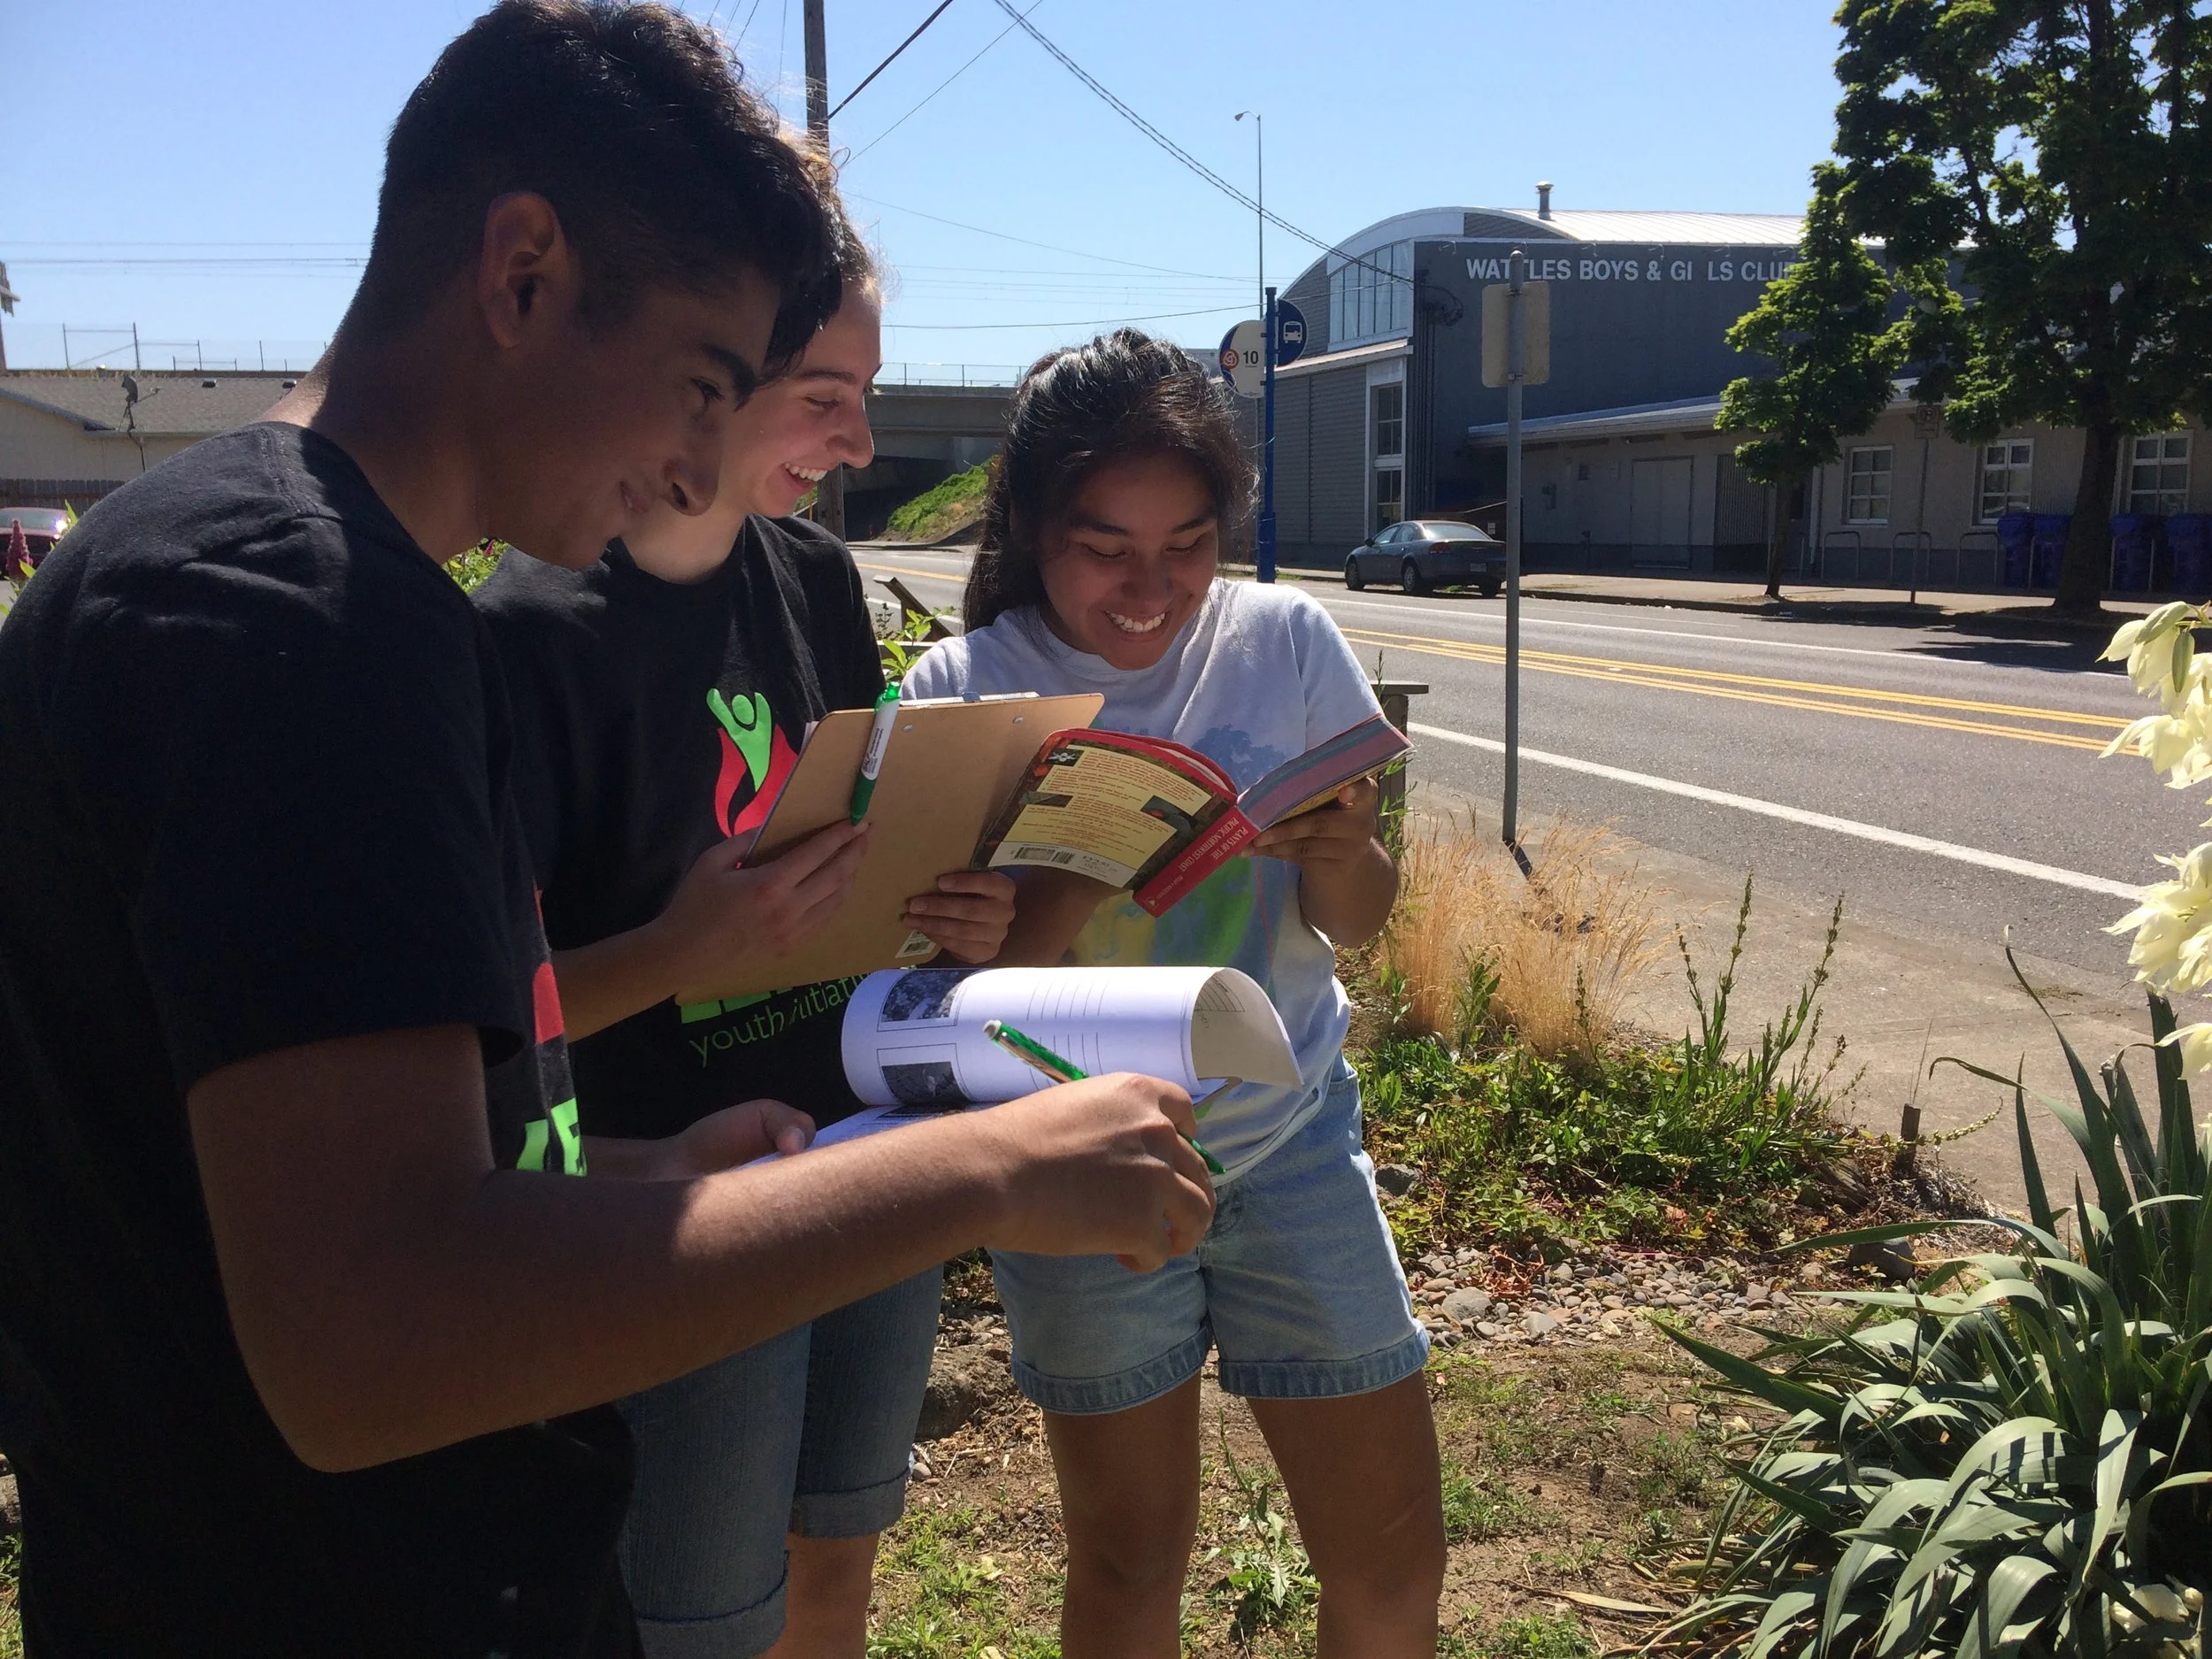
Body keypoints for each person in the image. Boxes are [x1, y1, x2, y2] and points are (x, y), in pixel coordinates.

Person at [0, 10, 1210, 1655]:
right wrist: (981, 1167)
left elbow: (286, 1177)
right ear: (523, 275)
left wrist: (633, 1173)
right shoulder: (290, 616)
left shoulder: (316, 592)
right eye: (705, 384)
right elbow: (368, 1335)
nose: (701, 467)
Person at [474, 203, 1005, 1655]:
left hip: (857, 1140)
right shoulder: (527, 633)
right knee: (695, 1617)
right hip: (676, 1203)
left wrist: (943, 908)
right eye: (825, 395)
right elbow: (488, 1029)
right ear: (707, 376)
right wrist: (678, 952)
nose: (859, 444)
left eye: (867, 397)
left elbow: (852, 874)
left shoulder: (815, 581)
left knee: (838, 1554)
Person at [901, 329, 1447, 1658]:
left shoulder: (1285, 639)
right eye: (1106, 549)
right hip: (1075, 1163)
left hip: (1290, 1135)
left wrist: (1345, 854)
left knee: (1392, 1554)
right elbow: (933, 1014)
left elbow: (1357, 921)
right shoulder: (960, 692)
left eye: (1189, 544)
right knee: (1130, 1555)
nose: (1152, 589)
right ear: (1031, 529)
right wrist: (1027, 908)